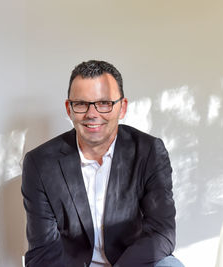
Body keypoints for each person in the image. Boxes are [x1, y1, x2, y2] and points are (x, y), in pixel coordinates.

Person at [21, 60, 184, 267]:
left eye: (104, 103)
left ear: (122, 108)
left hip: (133, 263)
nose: (92, 114)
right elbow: (42, 251)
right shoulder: (40, 163)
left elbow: (162, 233)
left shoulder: (149, 151)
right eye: (81, 104)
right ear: (69, 109)